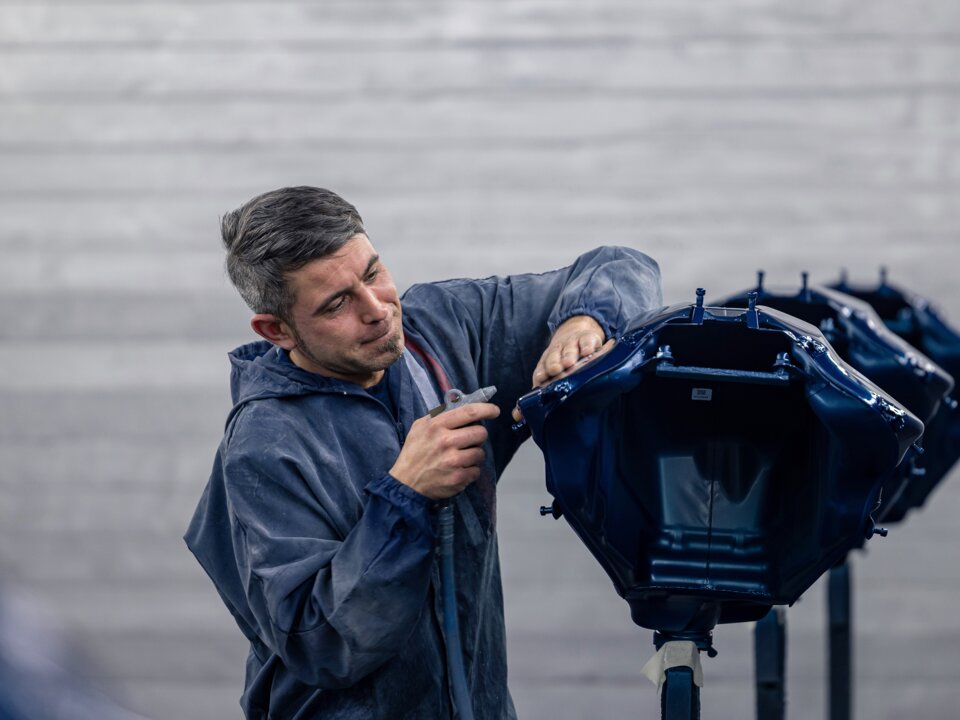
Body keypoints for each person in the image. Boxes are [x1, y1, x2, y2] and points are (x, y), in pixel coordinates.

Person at [184, 186, 663, 719]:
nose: (378, 310)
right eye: (337, 303)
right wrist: (405, 494)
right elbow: (320, 644)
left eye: (372, 273)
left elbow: (620, 265)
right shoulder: (264, 445)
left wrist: (583, 323)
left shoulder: (443, 331)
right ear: (276, 330)